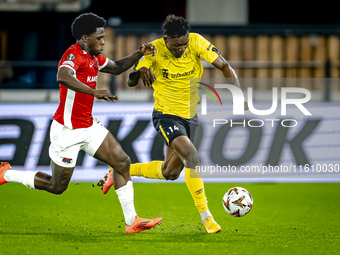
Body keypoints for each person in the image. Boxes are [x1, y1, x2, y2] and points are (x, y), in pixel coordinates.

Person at [0, 13, 162, 234]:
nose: (103, 41)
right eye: (99, 37)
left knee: (122, 162)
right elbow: (63, 76)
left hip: (88, 127)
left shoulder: (94, 57)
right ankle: (7, 174)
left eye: (104, 37)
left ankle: (132, 221)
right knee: (57, 186)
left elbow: (115, 67)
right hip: (67, 131)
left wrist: (138, 54)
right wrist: (94, 91)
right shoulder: (73, 56)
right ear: (85, 38)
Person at [101, 15, 249, 233]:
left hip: (190, 116)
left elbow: (225, 66)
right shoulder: (153, 50)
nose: (182, 48)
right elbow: (130, 81)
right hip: (166, 116)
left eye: (184, 44)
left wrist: (238, 94)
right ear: (166, 39)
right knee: (192, 157)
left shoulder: (197, 42)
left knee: (170, 172)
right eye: (177, 44)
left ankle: (121, 171)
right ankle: (207, 218)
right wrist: (139, 71)